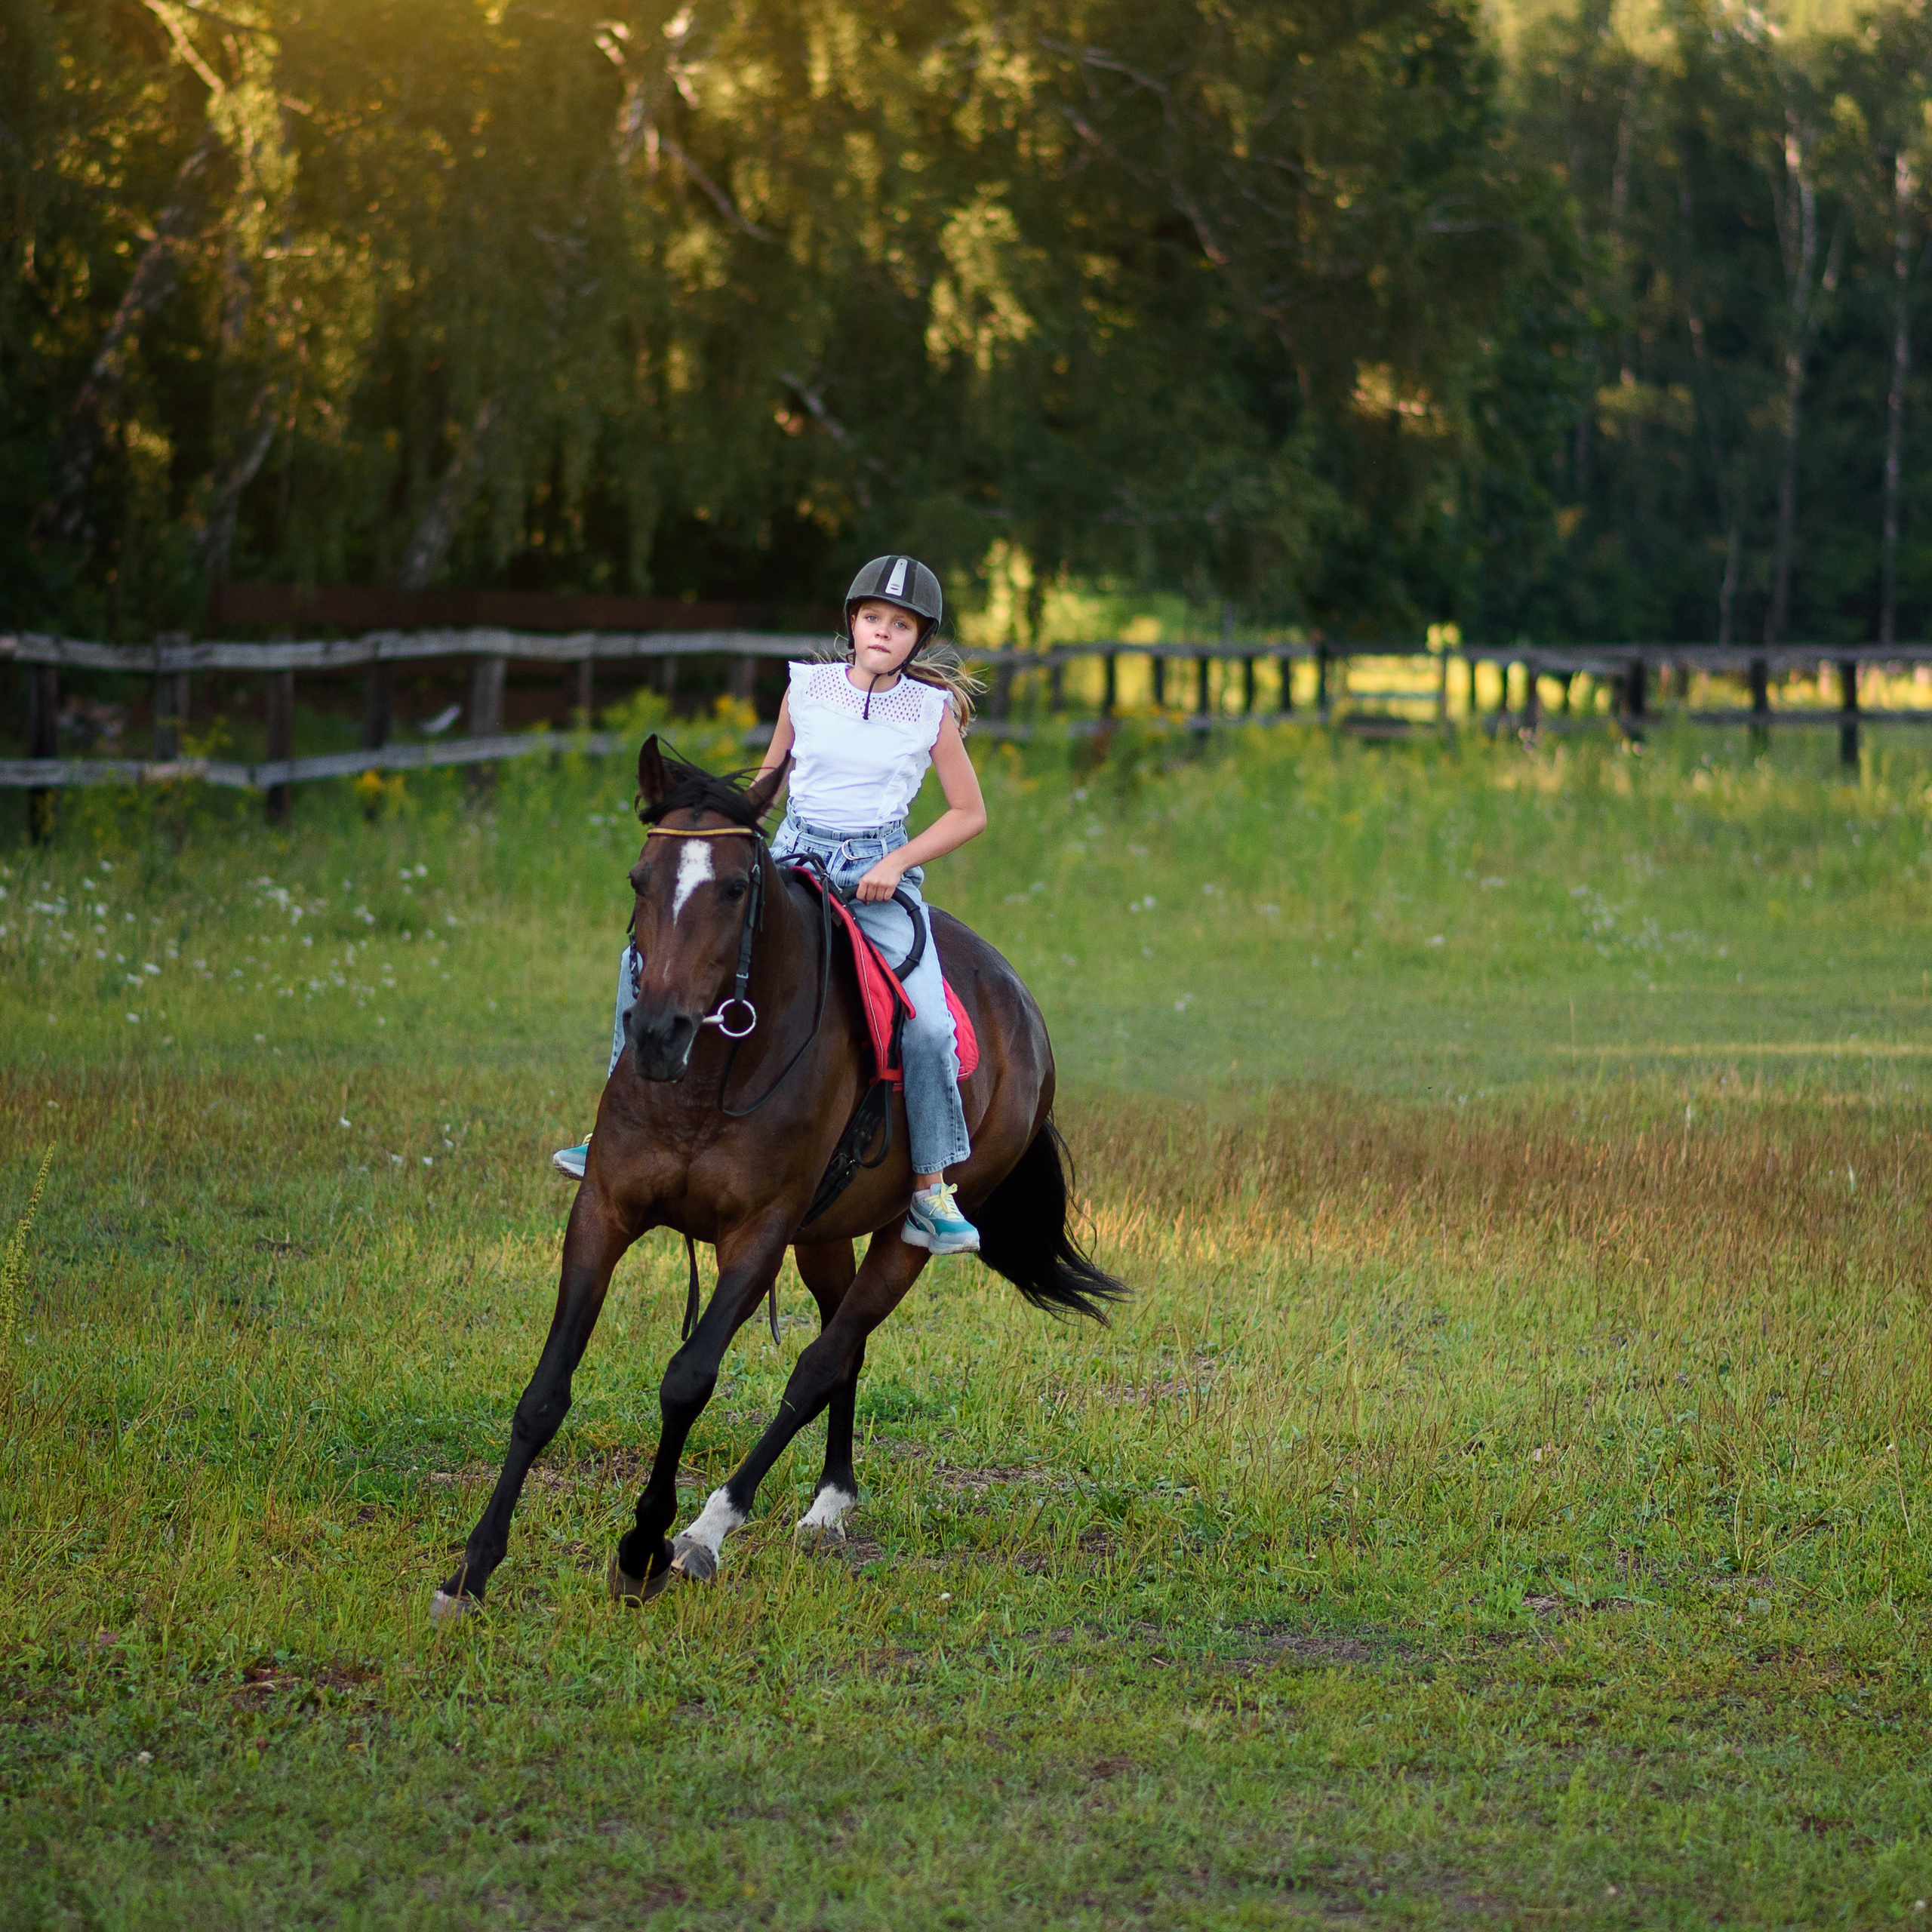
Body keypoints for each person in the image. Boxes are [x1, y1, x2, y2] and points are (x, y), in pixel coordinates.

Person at [552, 555, 989, 1256]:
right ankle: (611, 1127)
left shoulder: (931, 714)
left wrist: (897, 863)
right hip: (792, 860)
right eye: (872, 617)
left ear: (919, 638)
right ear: (852, 622)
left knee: (932, 1027)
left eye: (899, 624)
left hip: (878, 876)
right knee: (646, 961)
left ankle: (931, 1190)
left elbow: (969, 813)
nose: (883, 631)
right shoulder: (807, 689)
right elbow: (768, 782)